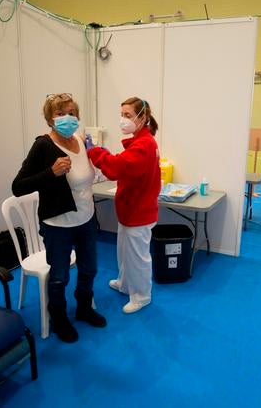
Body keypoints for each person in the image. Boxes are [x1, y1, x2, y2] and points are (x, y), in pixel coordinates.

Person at [12, 93, 106, 343]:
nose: (68, 118)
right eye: (60, 113)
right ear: (49, 119)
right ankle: (59, 317)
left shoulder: (78, 138)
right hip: (58, 225)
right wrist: (50, 173)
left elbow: (86, 178)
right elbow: (18, 186)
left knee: (90, 269)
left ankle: (84, 308)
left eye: (72, 112)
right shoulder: (43, 145)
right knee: (59, 276)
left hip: (86, 219)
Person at [86, 97, 160, 313]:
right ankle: (126, 283)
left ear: (142, 117)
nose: (123, 120)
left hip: (138, 211)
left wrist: (94, 151)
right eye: (122, 115)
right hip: (131, 210)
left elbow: (117, 167)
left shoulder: (144, 144)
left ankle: (142, 295)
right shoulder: (141, 141)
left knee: (138, 257)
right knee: (125, 251)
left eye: (128, 115)